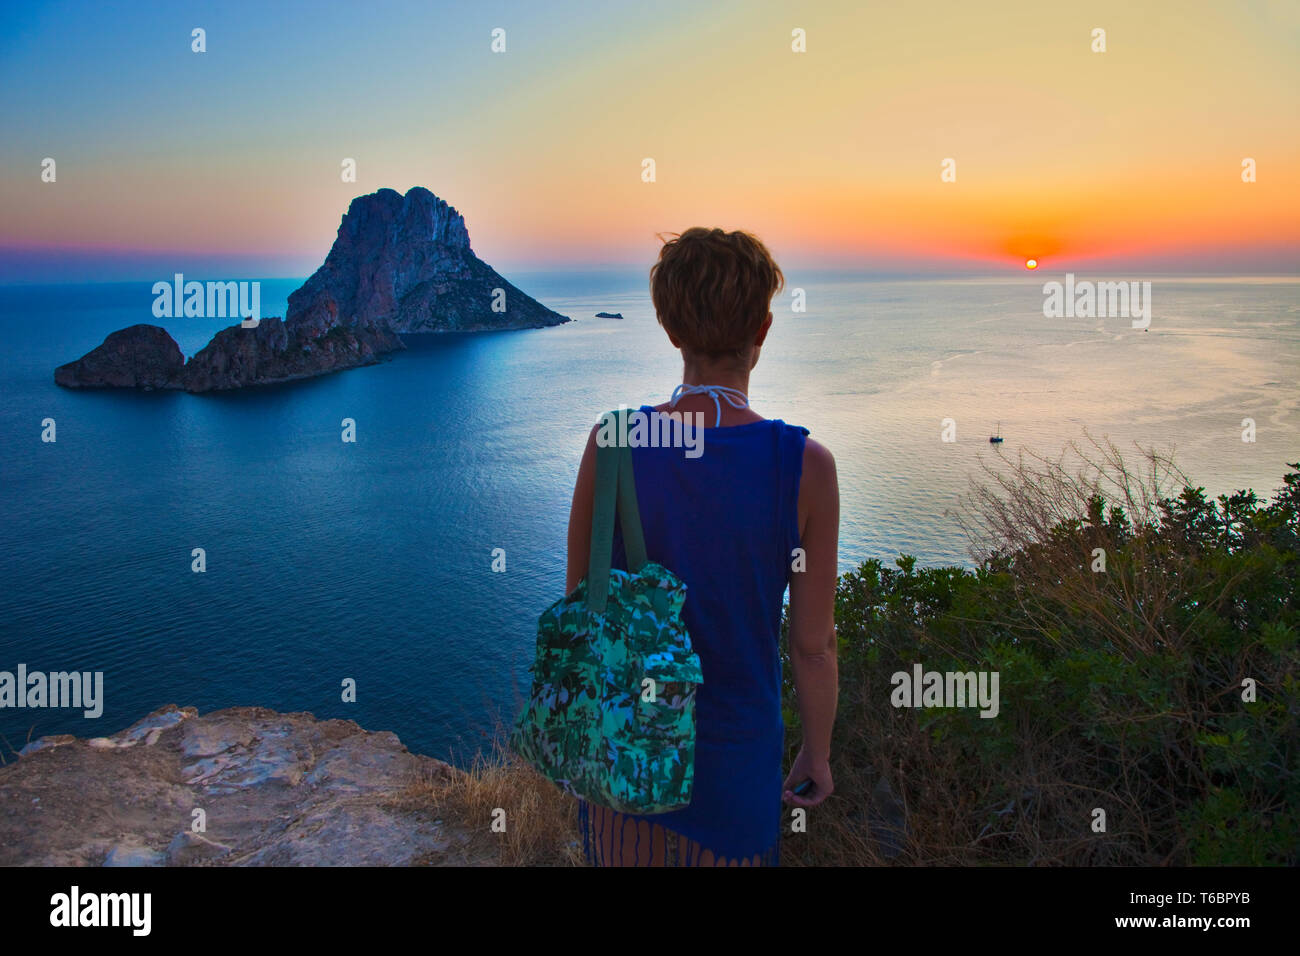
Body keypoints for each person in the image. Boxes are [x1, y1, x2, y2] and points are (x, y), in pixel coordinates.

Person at [565, 227, 840, 866]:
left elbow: (580, 603)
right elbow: (812, 644)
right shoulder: (804, 468)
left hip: (624, 744)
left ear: (669, 328)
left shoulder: (611, 444)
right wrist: (817, 754)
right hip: (735, 760)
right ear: (763, 329)